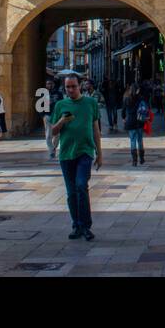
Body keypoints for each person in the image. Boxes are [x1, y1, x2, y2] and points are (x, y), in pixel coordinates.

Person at [51, 73, 102, 240]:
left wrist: (99, 153)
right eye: (68, 87)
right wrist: (62, 122)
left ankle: (86, 226)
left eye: (73, 86)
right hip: (66, 154)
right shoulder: (60, 105)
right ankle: (77, 225)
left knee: (81, 185)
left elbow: (96, 129)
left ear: (80, 86)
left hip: (85, 152)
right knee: (71, 192)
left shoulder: (90, 103)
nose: (71, 90)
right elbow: (53, 131)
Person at [123, 84, 148, 166]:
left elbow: (123, 111)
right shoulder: (140, 98)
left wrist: (124, 118)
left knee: (132, 140)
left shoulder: (127, 98)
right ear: (137, 90)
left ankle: (134, 160)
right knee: (140, 139)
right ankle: (142, 158)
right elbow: (145, 109)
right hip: (139, 121)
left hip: (130, 121)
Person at [43, 78, 58, 159]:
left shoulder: (58, 94)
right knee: (48, 134)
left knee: (57, 134)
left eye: (51, 83)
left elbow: (61, 103)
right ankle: (51, 150)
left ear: (53, 84)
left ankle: (54, 148)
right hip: (47, 115)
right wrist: (43, 115)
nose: (49, 85)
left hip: (57, 116)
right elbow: (39, 105)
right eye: (48, 83)